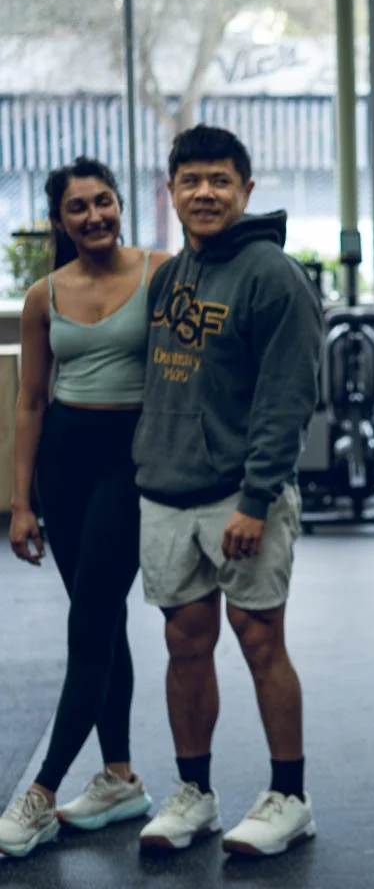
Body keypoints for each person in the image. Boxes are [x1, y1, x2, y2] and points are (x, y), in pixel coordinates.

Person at [131, 124, 325, 856]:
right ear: (172, 190)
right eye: (191, 180)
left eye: (220, 181)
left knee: (259, 639)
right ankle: (195, 792)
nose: (205, 193)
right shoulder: (171, 275)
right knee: (184, 642)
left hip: (240, 496)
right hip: (166, 491)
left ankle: (289, 795)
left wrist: (255, 498)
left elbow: (287, 398)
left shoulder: (273, 276)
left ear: (246, 190)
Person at [0, 159, 171, 859]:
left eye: (104, 202)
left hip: (127, 465)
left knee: (90, 622)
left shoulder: (160, 273)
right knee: (100, 622)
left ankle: (39, 792)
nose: (94, 216)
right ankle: (121, 777)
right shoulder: (44, 294)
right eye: (79, 208)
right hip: (64, 466)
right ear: (60, 220)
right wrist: (20, 502)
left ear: (121, 205)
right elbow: (31, 401)